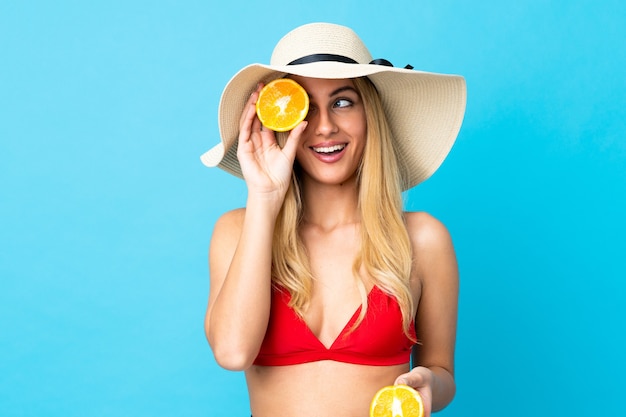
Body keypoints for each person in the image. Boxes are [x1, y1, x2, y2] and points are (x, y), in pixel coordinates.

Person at [201, 22, 466, 417]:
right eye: (305, 106)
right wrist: (264, 197)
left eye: (342, 101)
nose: (324, 126)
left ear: (369, 114)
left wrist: (428, 384)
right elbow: (233, 351)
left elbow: (442, 372)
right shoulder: (237, 230)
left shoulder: (424, 239)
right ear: (277, 120)